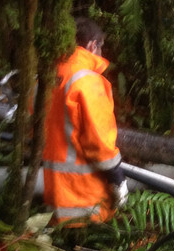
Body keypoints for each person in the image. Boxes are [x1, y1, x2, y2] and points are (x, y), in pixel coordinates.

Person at [42, 17, 128, 226]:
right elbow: (98, 139)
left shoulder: (48, 75)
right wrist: (116, 176)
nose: (101, 53)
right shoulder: (87, 80)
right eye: (101, 47)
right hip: (86, 200)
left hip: (54, 196)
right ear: (92, 45)